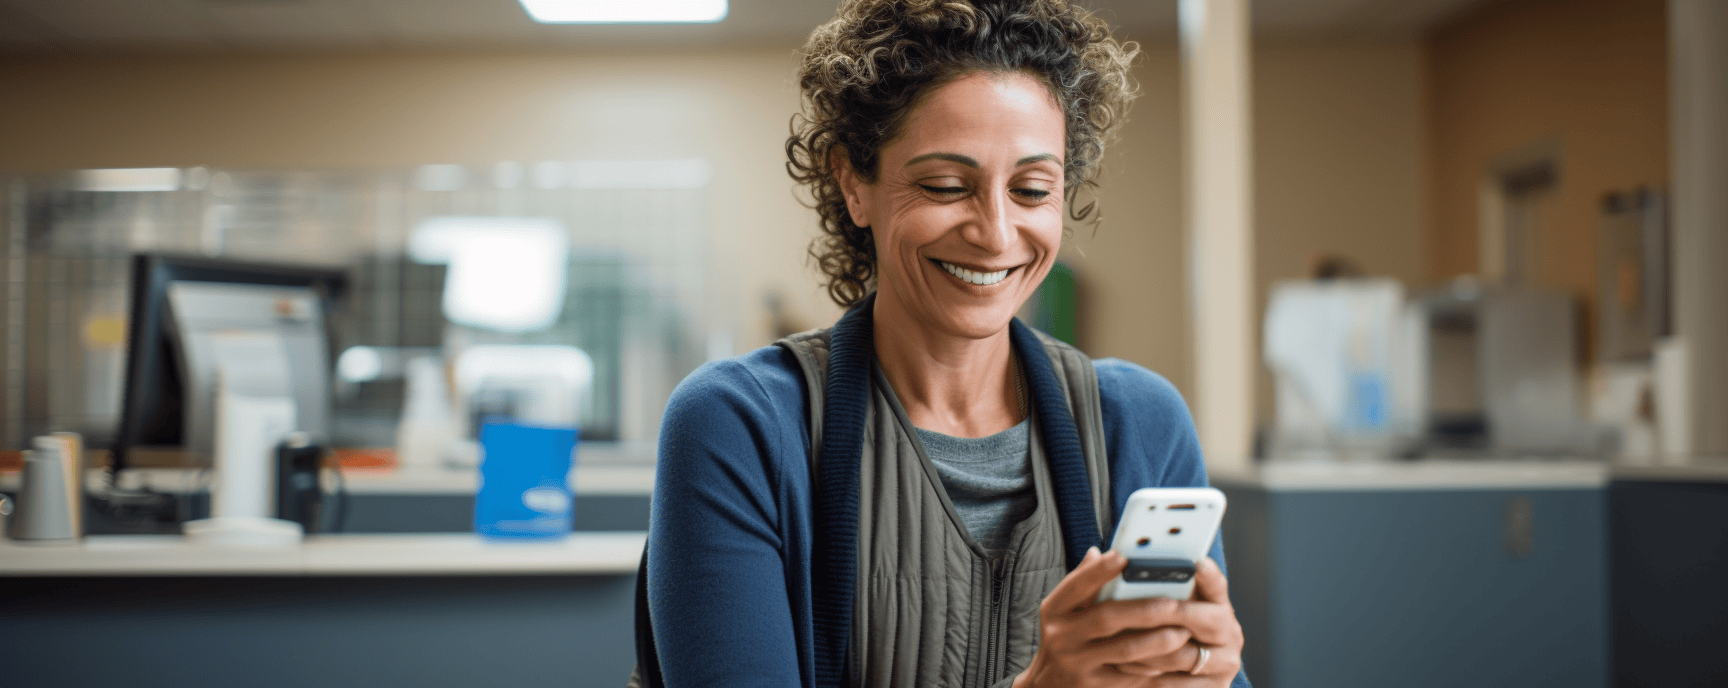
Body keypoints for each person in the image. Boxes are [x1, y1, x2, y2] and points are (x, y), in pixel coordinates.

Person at [642, 1, 1249, 686]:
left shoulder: (1137, 422)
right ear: (853, 184)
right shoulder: (742, 425)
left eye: (1031, 189)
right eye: (946, 185)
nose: (995, 233)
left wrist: (1206, 670)